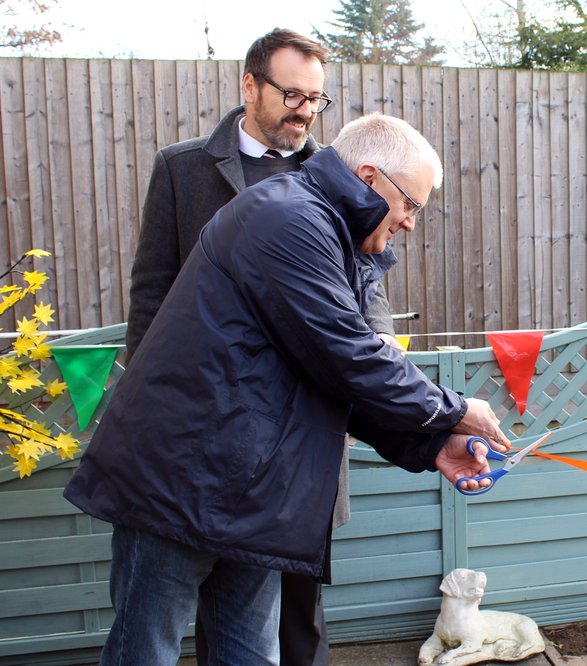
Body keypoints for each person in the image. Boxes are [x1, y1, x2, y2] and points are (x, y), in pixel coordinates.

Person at [63, 112, 511, 665]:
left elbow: (325, 377)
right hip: (177, 478)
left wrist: (431, 444)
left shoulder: (331, 235)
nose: (412, 223)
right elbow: (346, 352)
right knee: (144, 651)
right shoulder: (287, 218)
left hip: (250, 487)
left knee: (251, 655)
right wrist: (455, 408)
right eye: (411, 205)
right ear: (370, 178)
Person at [125, 28, 398, 664]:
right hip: (198, 439)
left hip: (301, 440)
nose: (305, 109)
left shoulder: (335, 177)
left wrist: (379, 356)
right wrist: (158, 413)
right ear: (249, 85)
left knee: (294, 612)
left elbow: (367, 291)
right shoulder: (182, 169)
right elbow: (151, 299)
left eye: (317, 98)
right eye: (291, 93)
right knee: (161, 617)